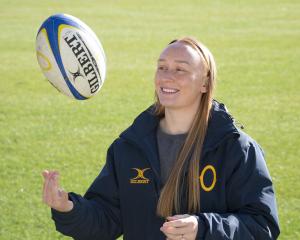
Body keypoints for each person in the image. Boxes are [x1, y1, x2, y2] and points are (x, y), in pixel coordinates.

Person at [42, 37, 280, 240]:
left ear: (205, 82)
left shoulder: (236, 148)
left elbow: (263, 225)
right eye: (162, 67)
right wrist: (68, 208)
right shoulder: (129, 147)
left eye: (180, 69)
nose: (167, 77)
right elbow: (107, 219)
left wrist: (203, 228)